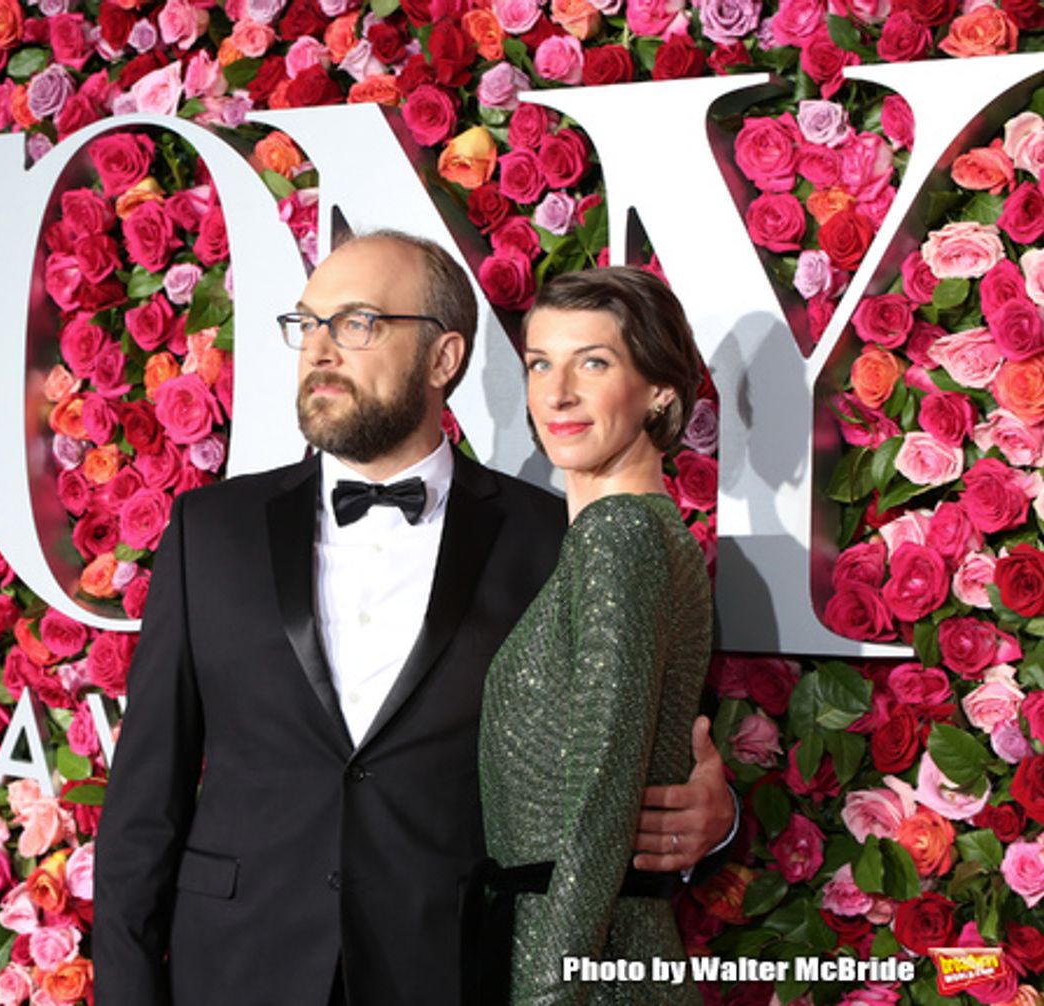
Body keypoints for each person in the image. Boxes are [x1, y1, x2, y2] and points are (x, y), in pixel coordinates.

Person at [93, 233, 733, 1006]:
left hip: (452, 969)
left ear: (443, 359)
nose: (321, 349)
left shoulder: (555, 538)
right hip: (235, 968)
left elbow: (658, 738)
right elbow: (143, 804)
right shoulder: (210, 531)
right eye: (308, 324)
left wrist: (714, 819)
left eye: (358, 322)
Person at [477, 267, 713, 1006]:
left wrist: (551, 987)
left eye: (595, 363)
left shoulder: (619, 536)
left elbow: (602, 787)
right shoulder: (640, 534)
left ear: (660, 391)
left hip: (583, 960)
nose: (557, 394)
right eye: (540, 363)